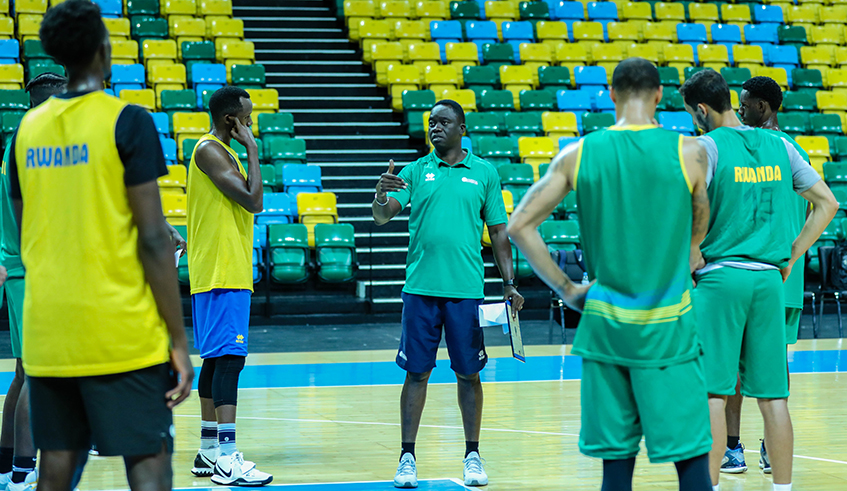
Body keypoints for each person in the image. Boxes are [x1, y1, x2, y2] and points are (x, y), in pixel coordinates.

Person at [6, 2, 195, 491]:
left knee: (56, 470)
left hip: (50, 332)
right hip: (119, 332)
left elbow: (31, 238)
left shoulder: (24, 133)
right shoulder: (126, 120)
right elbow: (155, 239)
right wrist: (177, 340)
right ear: (103, 50)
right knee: (149, 464)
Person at [508, 58, 714, 491]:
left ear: (612, 93)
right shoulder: (690, 153)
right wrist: (685, 256)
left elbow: (518, 227)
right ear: (659, 95)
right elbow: (699, 230)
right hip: (670, 327)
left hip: (605, 325)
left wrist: (567, 289)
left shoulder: (578, 154)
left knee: (616, 469)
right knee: (693, 465)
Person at [680, 69, 838, 491]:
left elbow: (686, 212)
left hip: (721, 279)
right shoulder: (782, 145)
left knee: (713, 393)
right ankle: (782, 489)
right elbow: (827, 203)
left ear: (701, 109)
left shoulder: (705, 146)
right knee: (774, 397)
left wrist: (692, 252)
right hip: (770, 280)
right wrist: (793, 253)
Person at [373, 99, 525, 488]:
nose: (434, 128)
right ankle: (407, 457)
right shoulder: (414, 170)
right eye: (431, 122)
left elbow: (498, 232)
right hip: (420, 291)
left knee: (469, 374)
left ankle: (472, 454)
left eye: (443, 122)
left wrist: (509, 283)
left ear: (461, 128)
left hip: (466, 292)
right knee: (416, 373)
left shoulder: (485, 173)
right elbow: (384, 214)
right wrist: (379, 194)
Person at [720, 76, 811, 475]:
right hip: (785, 274)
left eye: (745, 103)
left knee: (736, 366)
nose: (740, 109)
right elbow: (818, 207)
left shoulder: (754, 149)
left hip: (754, 267)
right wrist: (795, 252)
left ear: (764, 107)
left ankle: (732, 447)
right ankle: (769, 450)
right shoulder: (794, 149)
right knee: (775, 367)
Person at [186, 85, 272, 486]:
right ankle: (226, 458)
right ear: (231, 121)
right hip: (221, 270)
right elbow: (254, 201)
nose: (250, 126)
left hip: (219, 269)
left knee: (217, 359)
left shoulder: (218, 151)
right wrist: (253, 149)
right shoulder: (210, 150)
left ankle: (207, 451)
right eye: (248, 119)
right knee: (230, 361)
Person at [0, 72, 67, 491]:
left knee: (25, 373)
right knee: (38, 374)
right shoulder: (36, 145)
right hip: (33, 270)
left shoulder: (16, 142)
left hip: (19, 267)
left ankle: (7, 467)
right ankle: (24, 473)